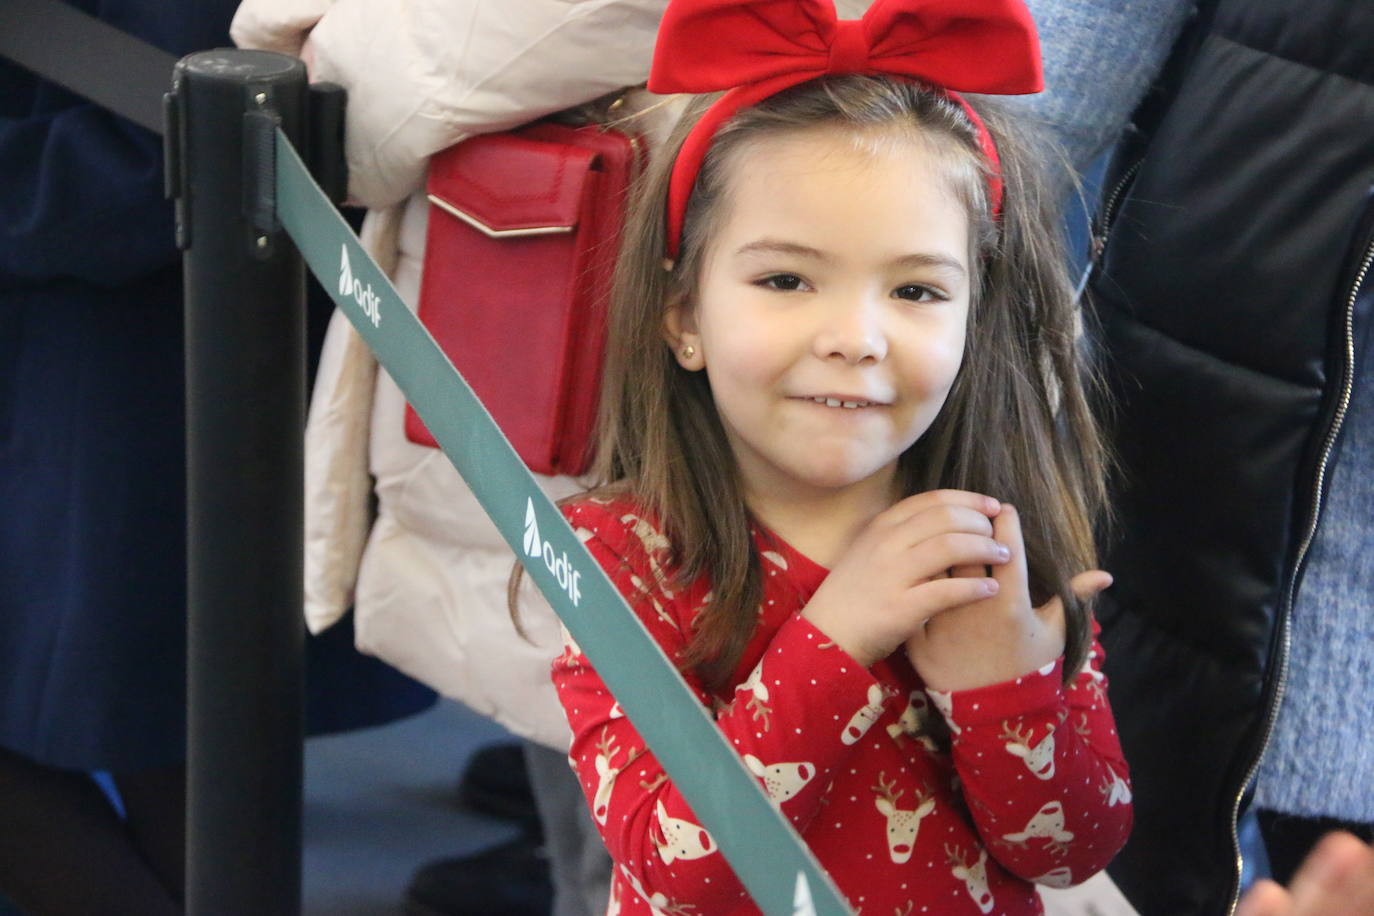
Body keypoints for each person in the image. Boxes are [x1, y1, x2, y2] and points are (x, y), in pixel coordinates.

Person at [547, 1, 1134, 912]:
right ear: (685, 317)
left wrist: (1006, 688)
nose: (856, 337)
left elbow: (1071, 851)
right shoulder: (620, 557)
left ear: (974, 320)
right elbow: (685, 869)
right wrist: (841, 632)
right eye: (786, 279)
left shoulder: (988, 539)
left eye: (915, 289)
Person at [228, 2, 677, 914]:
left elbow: (348, 104)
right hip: (565, 294)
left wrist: (346, 33)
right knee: (579, 752)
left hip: (643, 327)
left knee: (645, 832)